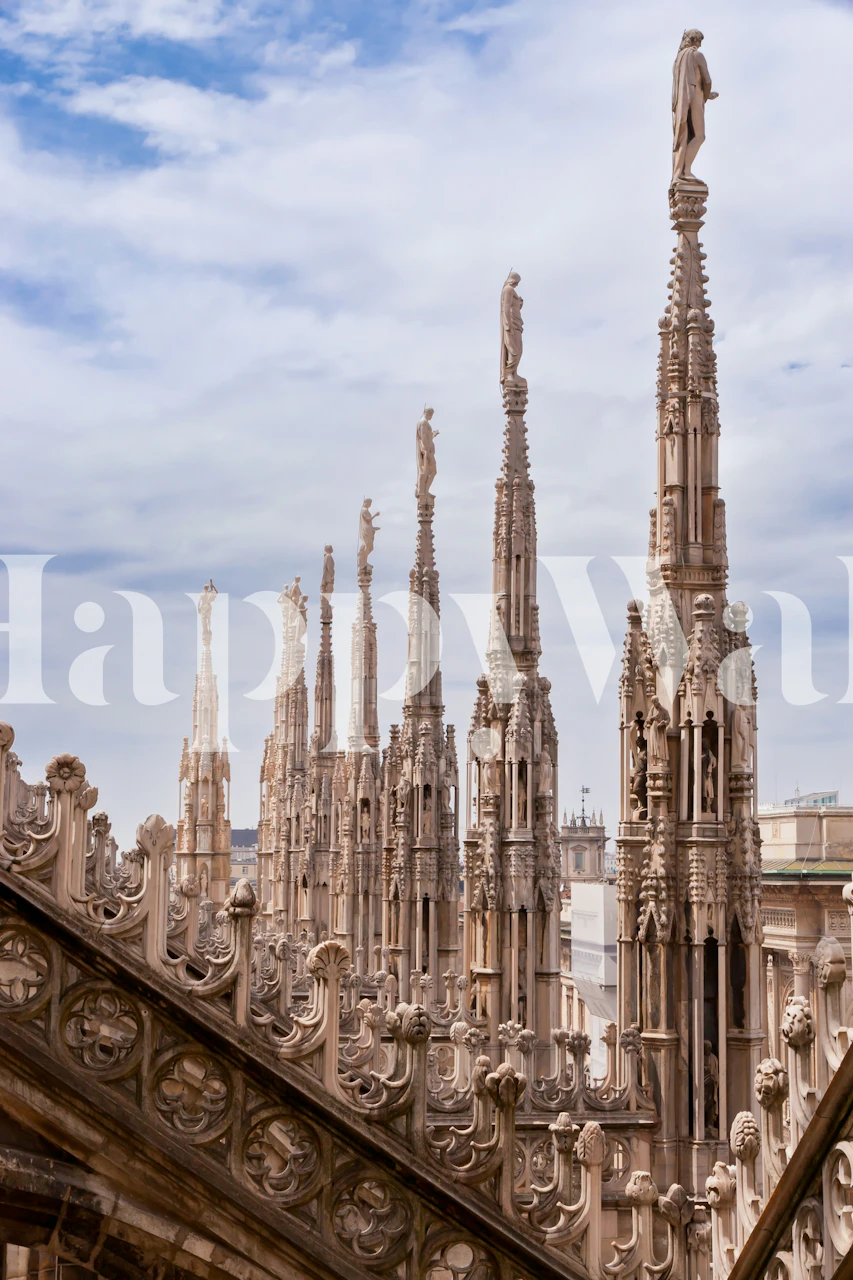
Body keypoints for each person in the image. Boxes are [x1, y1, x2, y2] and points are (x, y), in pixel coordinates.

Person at [672, 29, 718, 181]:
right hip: (695, 97)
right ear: (696, 40)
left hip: (682, 102)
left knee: (683, 136)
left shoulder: (678, 61)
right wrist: (705, 95)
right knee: (699, 135)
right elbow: (707, 81)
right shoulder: (697, 56)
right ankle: (686, 171)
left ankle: (679, 172)